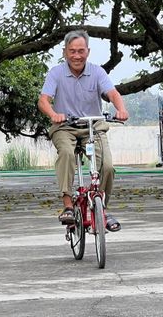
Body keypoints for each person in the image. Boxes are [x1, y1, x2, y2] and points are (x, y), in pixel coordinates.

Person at [38, 30, 129, 231]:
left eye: (81, 51)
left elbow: (112, 93)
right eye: (72, 51)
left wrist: (121, 109)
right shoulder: (56, 73)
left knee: (107, 167)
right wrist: (53, 114)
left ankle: (102, 210)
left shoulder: (97, 72)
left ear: (88, 52)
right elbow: (44, 100)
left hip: (93, 127)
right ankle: (68, 205)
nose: (76, 56)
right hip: (65, 127)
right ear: (65, 52)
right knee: (67, 154)